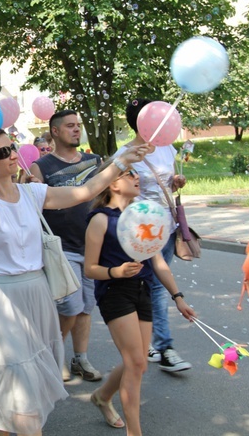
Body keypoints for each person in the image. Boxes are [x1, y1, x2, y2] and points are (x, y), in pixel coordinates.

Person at [0, 127, 149, 436]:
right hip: (4, 301)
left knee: (21, 385)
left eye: (11, 148)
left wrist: (120, 163)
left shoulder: (32, 193)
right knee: (20, 386)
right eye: (2, 152)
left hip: (37, 293)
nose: (12, 155)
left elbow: (86, 191)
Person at [83, 161, 196, 435]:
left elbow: (158, 262)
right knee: (135, 362)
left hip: (141, 290)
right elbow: (89, 268)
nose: (137, 177)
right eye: (129, 174)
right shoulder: (101, 219)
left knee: (139, 362)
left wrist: (178, 297)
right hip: (113, 292)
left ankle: (101, 396)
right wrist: (116, 271)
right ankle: (135, 432)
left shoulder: (142, 215)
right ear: (113, 183)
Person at [115, 98, 191, 372]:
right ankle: (165, 346)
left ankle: (146, 337)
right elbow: (115, 188)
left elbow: (166, 181)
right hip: (142, 229)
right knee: (158, 285)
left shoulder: (167, 146)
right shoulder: (125, 153)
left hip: (168, 226)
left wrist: (176, 182)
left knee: (152, 284)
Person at [30, 110, 104, 383]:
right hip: (61, 249)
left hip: (92, 248)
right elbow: (32, 203)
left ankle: (80, 358)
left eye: (79, 125)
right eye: (71, 126)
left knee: (85, 307)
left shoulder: (94, 161)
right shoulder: (42, 166)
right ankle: (55, 355)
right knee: (69, 306)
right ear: (56, 132)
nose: (77, 130)